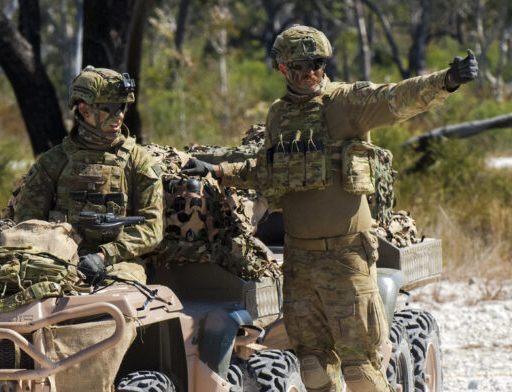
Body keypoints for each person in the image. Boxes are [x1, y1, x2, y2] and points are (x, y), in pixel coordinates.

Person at [183, 25, 477, 392]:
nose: (310, 73)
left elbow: (397, 98)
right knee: (313, 369)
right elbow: (265, 169)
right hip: (299, 261)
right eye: (300, 66)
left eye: (317, 64)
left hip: (347, 256)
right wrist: (216, 171)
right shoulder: (278, 116)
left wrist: (446, 80)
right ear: (282, 69)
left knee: (361, 370)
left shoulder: (345, 104)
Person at [13, 66, 164, 285]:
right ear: (83, 109)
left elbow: (151, 228)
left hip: (118, 264)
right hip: (57, 259)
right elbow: (28, 224)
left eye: (122, 107)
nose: (119, 115)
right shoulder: (52, 163)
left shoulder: (139, 162)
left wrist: (104, 255)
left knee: (116, 299)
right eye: (109, 108)